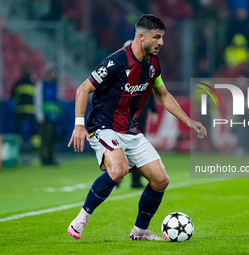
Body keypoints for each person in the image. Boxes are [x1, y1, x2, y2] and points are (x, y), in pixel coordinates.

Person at [67, 14, 206, 241]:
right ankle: (80, 220)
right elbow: (83, 89)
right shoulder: (116, 62)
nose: (161, 43)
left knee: (161, 180)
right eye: (157, 37)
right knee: (118, 169)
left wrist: (187, 120)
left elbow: (162, 94)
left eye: (163, 38)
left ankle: (140, 230)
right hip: (104, 126)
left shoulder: (153, 64)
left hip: (130, 130)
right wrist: (79, 125)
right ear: (141, 37)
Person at [35, 65, 62, 166]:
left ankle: (50, 158)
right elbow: (38, 100)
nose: (55, 75)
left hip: (54, 117)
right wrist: (39, 114)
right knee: (45, 139)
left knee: (51, 139)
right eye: (53, 72)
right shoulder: (41, 85)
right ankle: (44, 159)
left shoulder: (55, 86)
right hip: (45, 117)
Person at [11, 63, 38, 151]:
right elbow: (13, 96)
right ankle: (17, 147)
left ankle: (35, 147)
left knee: (34, 130)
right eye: (25, 69)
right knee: (18, 130)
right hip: (20, 111)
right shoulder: (17, 84)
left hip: (31, 111)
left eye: (28, 69)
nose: (26, 71)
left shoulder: (34, 84)